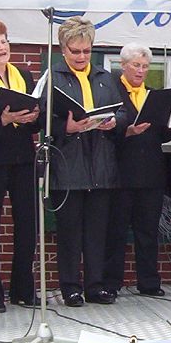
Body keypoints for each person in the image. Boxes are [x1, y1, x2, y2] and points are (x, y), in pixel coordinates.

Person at [44, 16, 128, 307]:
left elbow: (123, 113)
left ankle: (95, 286)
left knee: (97, 231)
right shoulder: (54, 77)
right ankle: (70, 287)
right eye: (75, 51)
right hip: (69, 164)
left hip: (101, 164)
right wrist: (64, 128)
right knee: (69, 232)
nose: (81, 57)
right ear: (63, 49)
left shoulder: (105, 77)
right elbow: (42, 118)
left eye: (86, 51)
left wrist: (114, 122)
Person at [0, 19, 41, 313]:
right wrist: (2, 120)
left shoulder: (22, 75)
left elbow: (34, 121)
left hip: (23, 159)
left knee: (27, 224)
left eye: (4, 41)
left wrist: (33, 117)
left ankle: (23, 289)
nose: (2, 47)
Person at [105, 43, 171, 298]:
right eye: (136, 65)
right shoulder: (112, 92)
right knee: (116, 231)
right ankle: (111, 282)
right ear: (123, 65)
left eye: (145, 66)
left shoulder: (152, 94)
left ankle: (149, 282)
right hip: (121, 173)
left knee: (148, 231)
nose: (141, 71)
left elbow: (164, 135)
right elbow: (106, 132)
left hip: (150, 172)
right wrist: (127, 131)